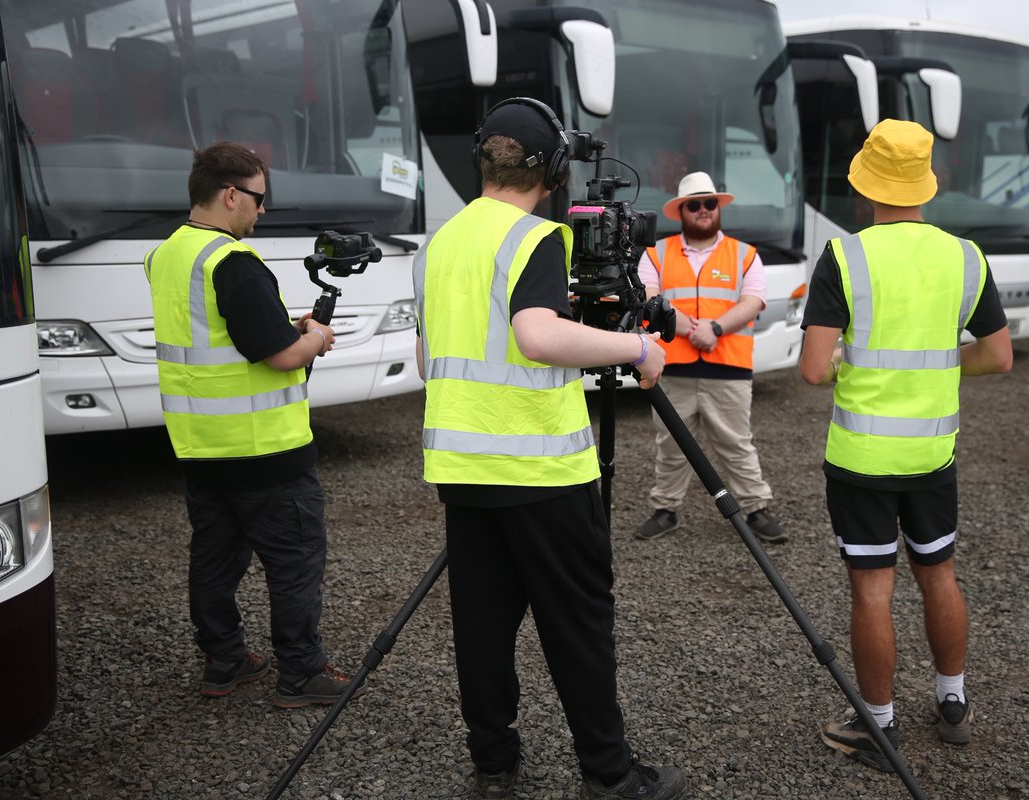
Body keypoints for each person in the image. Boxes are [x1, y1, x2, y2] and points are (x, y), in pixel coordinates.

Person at [413, 98, 687, 800]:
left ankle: (493, 756)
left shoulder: (441, 243)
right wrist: (636, 345)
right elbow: (537, 335)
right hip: (540, 468)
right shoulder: (535, 240)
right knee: (578, 625)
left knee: (482, 623)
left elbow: (427, 358)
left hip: (462, 465)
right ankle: (609, 771)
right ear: (556, 172)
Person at [798, 119, 1013, 772]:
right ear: (924, 184)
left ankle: (879, 725)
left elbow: (811, 370)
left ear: (866, 186)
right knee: (939, 574)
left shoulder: (845, 256)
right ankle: (952, 703)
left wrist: (851, 364)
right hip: (932, 455)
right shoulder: (965, 256)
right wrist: (942, 365)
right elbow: (998, 356)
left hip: (862, 460)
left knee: (873, 591)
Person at [145, 141, 361, 709]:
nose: (263, 211)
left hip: (201, 446)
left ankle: (225, 660)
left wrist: (283, 328)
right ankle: (301, 673)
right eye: (260, 200)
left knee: (214, 559)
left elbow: (220, 337)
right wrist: (314, 336)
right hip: (266, 451)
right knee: (293, 564)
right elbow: (282, 356)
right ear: (231, 195)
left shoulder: (168, 255)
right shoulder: (233, 262)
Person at [633, 171, 787, 544]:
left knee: (736, 443)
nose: (703, 210)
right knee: (670, 443)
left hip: (728, 367)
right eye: (694, 204)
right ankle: (665, 509)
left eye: (709, 203)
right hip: (671, 366)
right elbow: (649, 302)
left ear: (717, 209)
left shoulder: (745, 254)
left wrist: (714, 329)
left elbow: (753, 303)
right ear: (681, 211)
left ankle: (756, 508)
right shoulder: (655, 253)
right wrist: (692, 329)